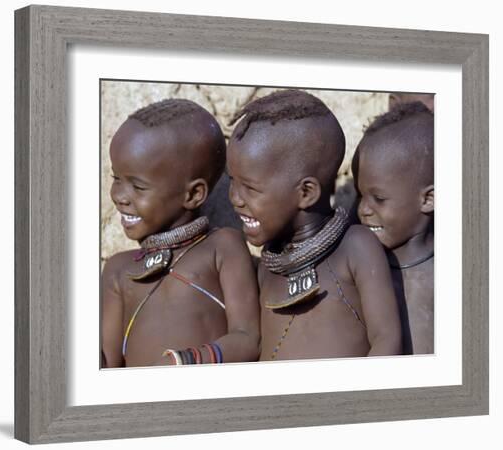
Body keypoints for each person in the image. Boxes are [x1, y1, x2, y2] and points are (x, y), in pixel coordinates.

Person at [226, 90, 402, 361]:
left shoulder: (356, 247)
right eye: (231, 181)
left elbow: (386, 339)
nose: (234, 198)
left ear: (306, 192)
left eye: (249, 187)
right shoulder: (269, 266)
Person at [101, 98, 260, 368]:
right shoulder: (118, 269)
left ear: (193, 194)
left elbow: (248, 338)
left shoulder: (221, 247)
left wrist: (186, 362)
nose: (119, 196)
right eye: (117, 178)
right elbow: (108, 364)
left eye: (137, 187)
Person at [353, 101, 434, 354]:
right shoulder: (358, 266)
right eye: (360, 196)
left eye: (379, 199)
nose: (364, 210)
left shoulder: (458, 274)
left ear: (428, 199)